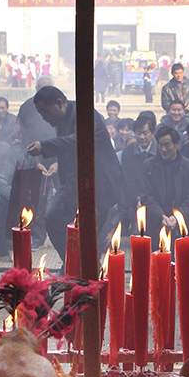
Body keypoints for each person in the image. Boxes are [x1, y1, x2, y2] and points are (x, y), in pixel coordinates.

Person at [26, 86, 125, 267]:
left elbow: (81, 140)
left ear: (59, 103)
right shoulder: (60, 120)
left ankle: (84, 270)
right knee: (53, 218)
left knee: (88, 235)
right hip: (75, 184)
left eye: (46, 112)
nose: (44, 118)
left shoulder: (85, 114)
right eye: (41, 114)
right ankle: (72, 264)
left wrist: (45, 146)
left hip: (99, 184)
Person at [140, 126, 189, 240]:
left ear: (177, 144)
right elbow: (146, 196)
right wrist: (161, 216)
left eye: (167, 145)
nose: (163, 149)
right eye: (160, 145)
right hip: (154, 224)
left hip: (181, 227)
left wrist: (176, 217)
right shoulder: (148, 166)